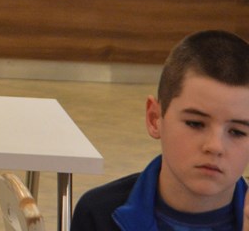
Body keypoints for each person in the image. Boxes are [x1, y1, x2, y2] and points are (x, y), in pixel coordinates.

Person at [71, 29, 249, 231]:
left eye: (237, 132)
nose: (215, 146)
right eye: (195, 123)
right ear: (154, 118)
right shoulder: (97, 214)